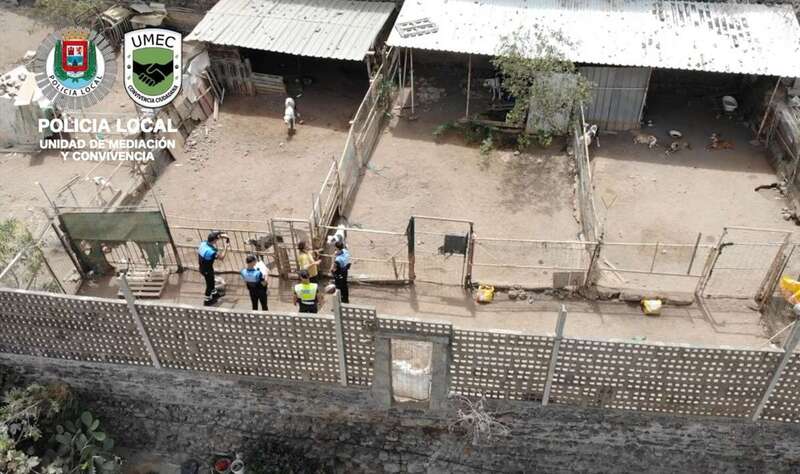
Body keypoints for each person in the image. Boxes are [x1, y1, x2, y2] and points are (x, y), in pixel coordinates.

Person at [198, 231, 227, 306]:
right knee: (209, 285)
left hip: (203, 268)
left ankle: (215, 294)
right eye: (217, 239)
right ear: (214, 240)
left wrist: (222, 236)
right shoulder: (210, 252)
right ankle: (207, 301)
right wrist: (226, 247)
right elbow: (221, 257)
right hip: (207, 270)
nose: (217, 240)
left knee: (211, 282)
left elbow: (214, 237)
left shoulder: (203, 243)